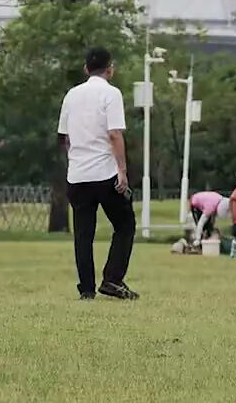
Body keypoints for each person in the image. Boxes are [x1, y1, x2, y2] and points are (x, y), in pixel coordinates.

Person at [57, 47, 138, 301]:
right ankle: (112, 279)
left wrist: (76, 157)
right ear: (110, 69)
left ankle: (87, 289)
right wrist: (122, 172)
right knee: (125, 224)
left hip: (78, 175)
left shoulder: (71, 95)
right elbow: (115, 134)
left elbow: (65, 138)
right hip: (104, 172)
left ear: (86, 69)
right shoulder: (111, 94)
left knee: (83, 234)